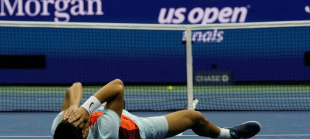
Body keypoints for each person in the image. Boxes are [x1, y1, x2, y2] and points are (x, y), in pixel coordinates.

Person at [51, 79, 261, 139]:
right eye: (83, 126)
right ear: (85, 132)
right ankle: (229, 135)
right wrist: (87, 110)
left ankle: (116, 108)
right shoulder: (105, 132)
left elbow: (74, 86)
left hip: (115, 115)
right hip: (136, 130)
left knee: (115, 103)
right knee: (193, 117)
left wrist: (74, 107)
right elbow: (117, 85)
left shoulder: (60, 126)